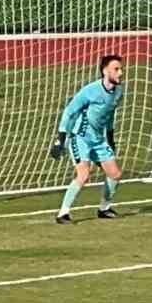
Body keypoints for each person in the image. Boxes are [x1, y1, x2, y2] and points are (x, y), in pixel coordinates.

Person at [50, 54, 126, 224]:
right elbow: (69, 112)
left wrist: (110, 137)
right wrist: (60, 139)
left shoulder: (119, 91)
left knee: (115, 174)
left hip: (99, 140)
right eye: (116, 69)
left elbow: (110, 114)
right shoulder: (90, 91)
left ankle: (104, 209)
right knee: (84, 174)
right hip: (81, 137)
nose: (120, 73)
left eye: (121, 69)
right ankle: (63, 213)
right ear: (105, 71)